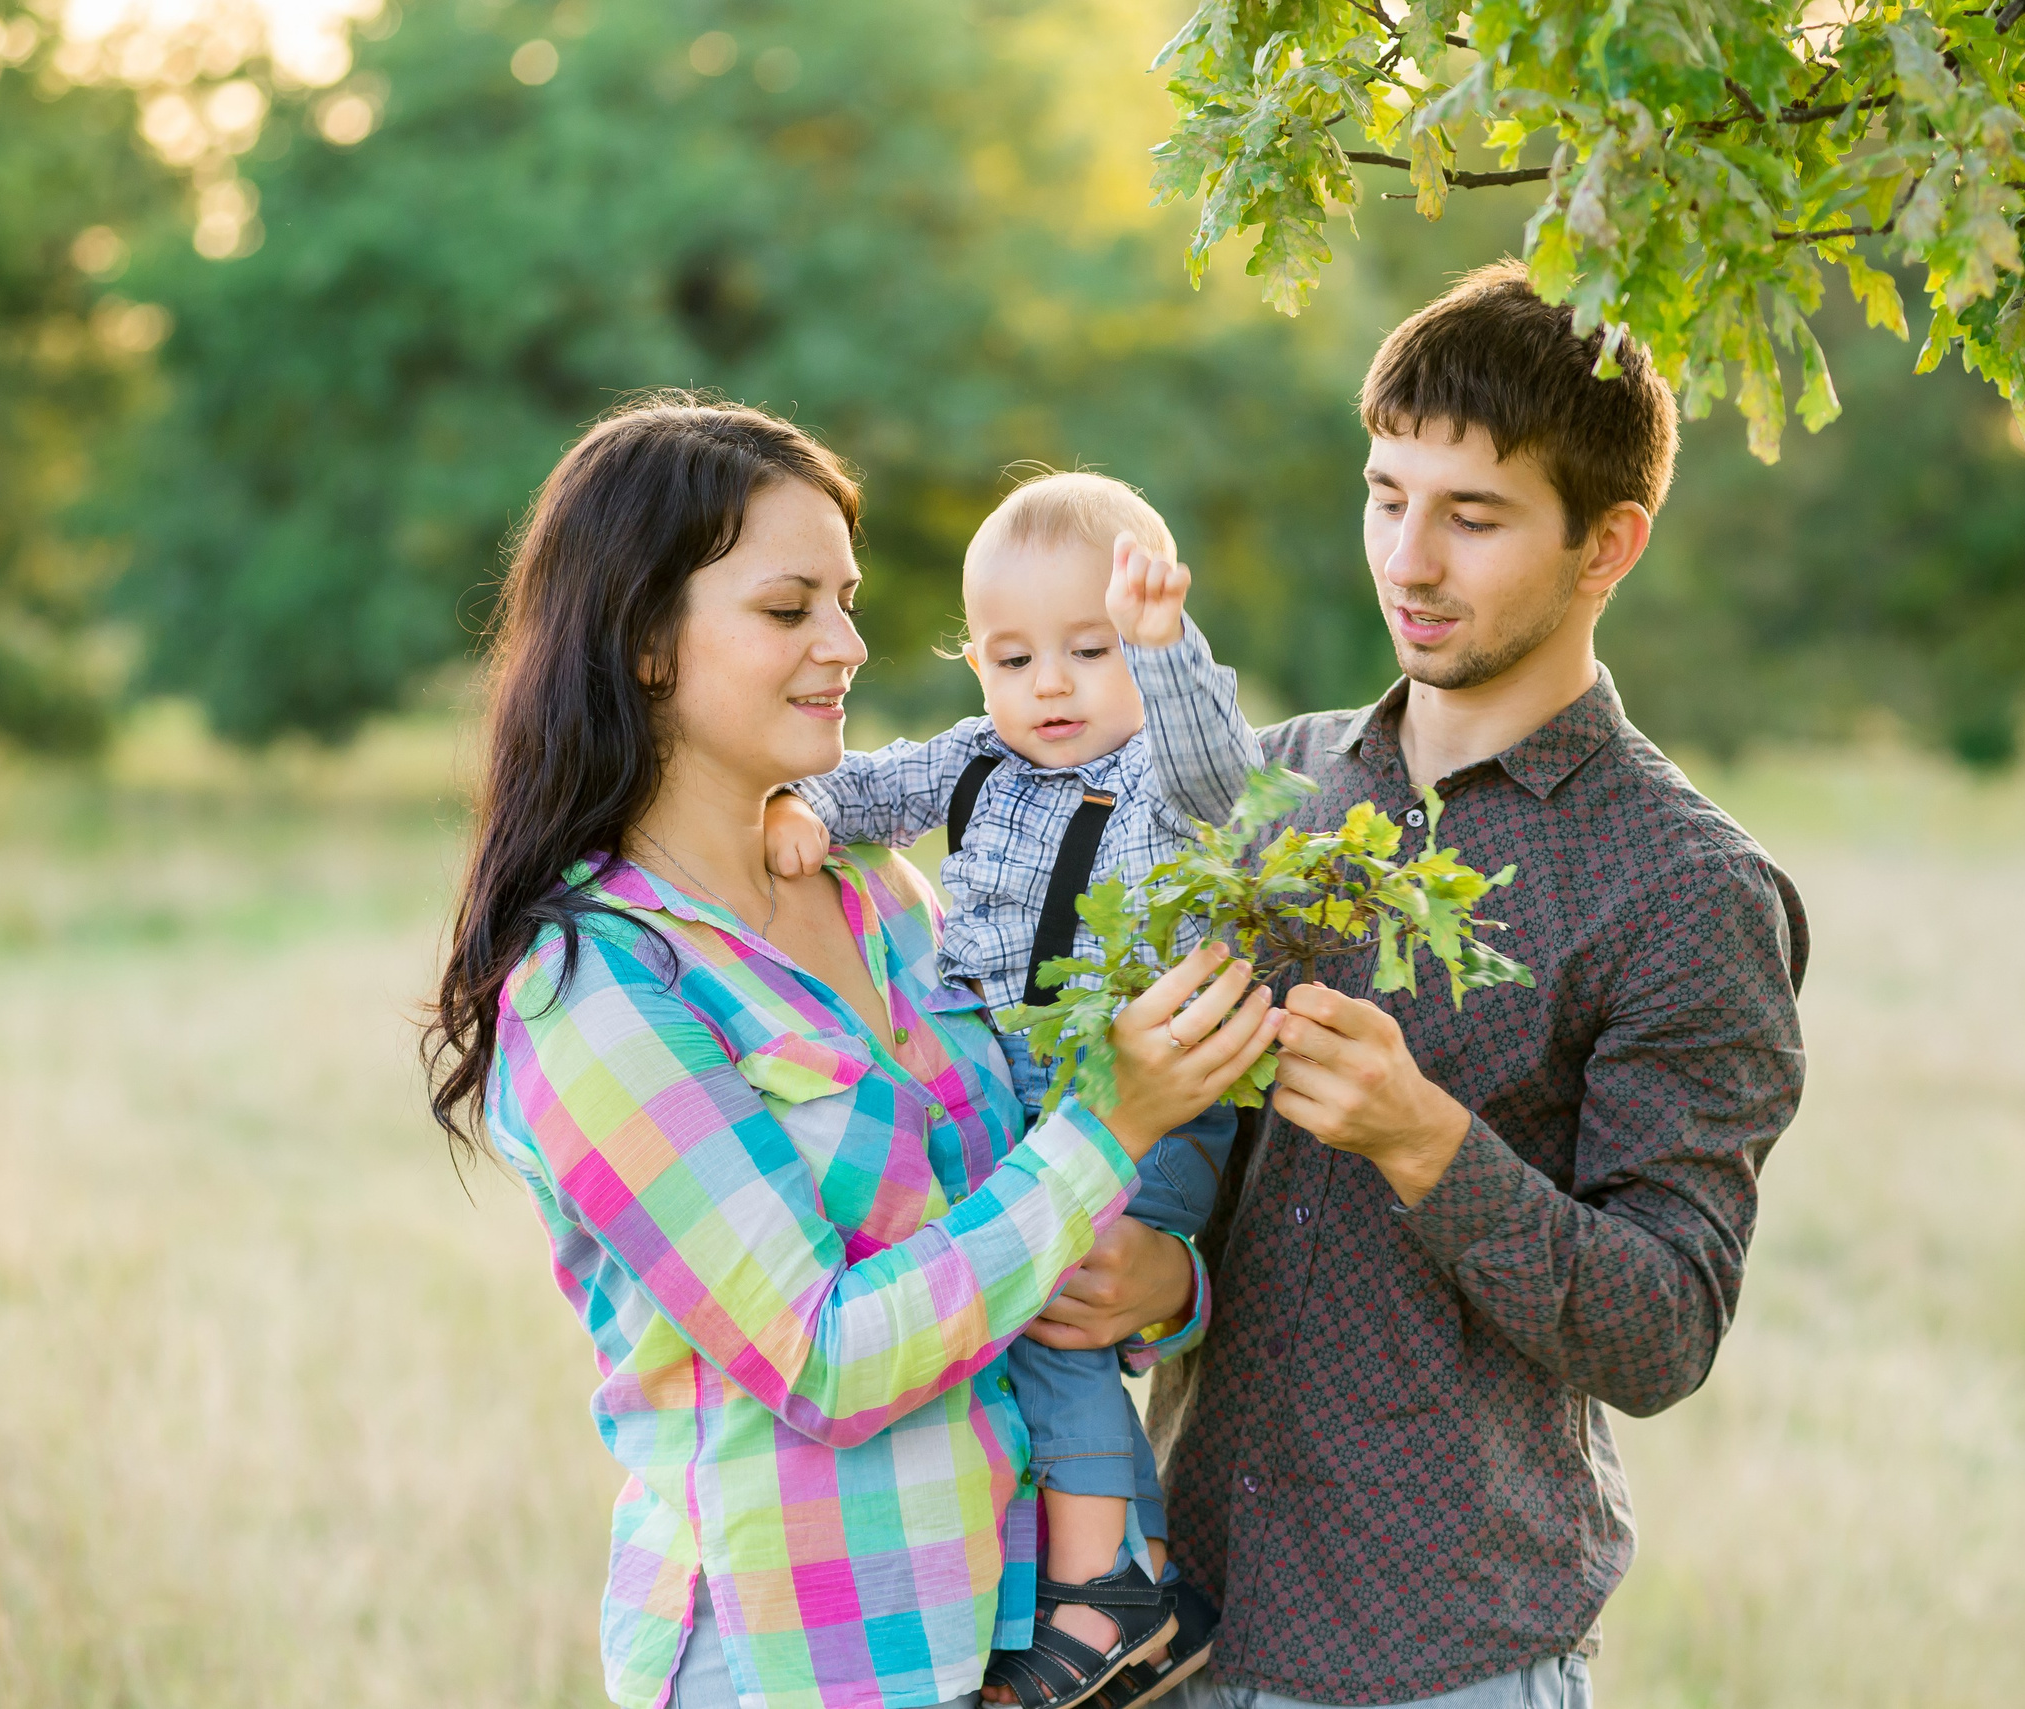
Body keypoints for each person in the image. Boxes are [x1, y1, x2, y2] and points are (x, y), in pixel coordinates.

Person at [420, 397, 1285, 1709]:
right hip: (801, 1664)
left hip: (1020, 1643)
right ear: (648, 644)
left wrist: (1164, 1280)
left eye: (848, 597)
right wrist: (1114, 1122)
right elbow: (823, 1355)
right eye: (789, 610)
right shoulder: (597, 988)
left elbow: (1018, 1207)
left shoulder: (879, 889)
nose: (849, 644)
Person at [1065, 262, 1814, 1709]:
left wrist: (1427, 1140)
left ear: (1611, 544)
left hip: (1440, 1661)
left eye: (1473, 518)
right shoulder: (1267, 788)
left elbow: (1665, 1327)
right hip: (1176, 1632)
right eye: (1385, 494)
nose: (1409, 559)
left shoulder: (1689, 889)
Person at [761, 471, 1257, 1708]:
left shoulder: (1159, 770)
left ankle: (1105, 1588)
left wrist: (1168, 652)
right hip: (1038, 1096)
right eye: (1012, 655)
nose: (1051, 684)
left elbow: (1223, 776)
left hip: (1155, 1083)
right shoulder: (978, 763)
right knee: (1039, 1303)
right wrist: (808, 812)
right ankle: (1120, 1569)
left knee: (1053, 1300)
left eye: (1090, 650)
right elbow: (876, 784)